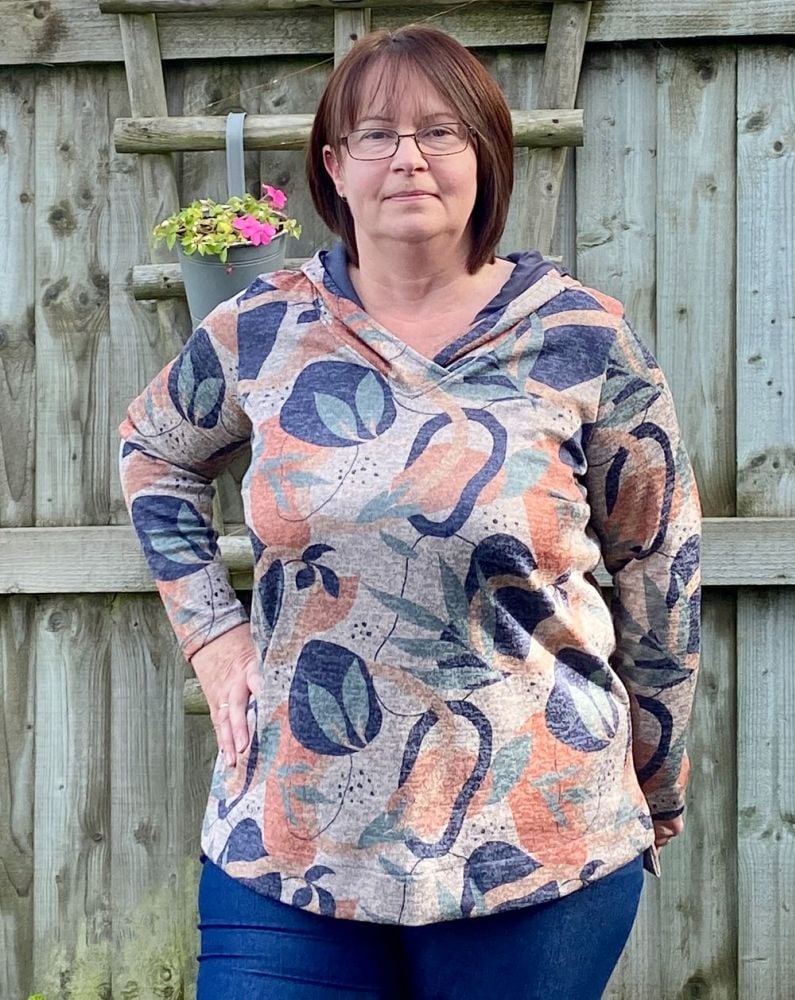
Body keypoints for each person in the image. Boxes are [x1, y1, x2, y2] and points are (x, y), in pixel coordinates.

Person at [119, 24, 702, 1000]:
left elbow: (659, 573)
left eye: (439, 132)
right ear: (333, 168)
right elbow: (151, 452)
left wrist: (656, 775)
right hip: (288, 841)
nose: (408, 157)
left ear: (485, 158)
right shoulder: (263, 328)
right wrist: (211, 634)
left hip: (537, 843)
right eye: (377, 134)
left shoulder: (579, 337)